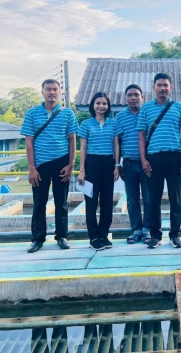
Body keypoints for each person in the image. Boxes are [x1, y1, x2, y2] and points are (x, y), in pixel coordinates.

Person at [21, 79, 78, 254]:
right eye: (48, 89)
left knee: (62, 202)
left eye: (55, 89)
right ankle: (37, 239)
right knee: (39, 202)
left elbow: (72, 140)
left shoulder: (67, 113)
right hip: (40, 165)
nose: (51, 92)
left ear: (60, 92)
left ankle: (62, 236)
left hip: (62, 162)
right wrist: (32, 168)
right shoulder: (32, 114)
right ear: (42, 92)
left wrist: (70, 165)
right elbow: (29, 142)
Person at [138, 73, 181, 249]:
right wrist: (143, 159)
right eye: (159, 85)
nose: (162, 88)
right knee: (153, 199)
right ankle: (155, 235)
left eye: (165, 85)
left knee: (176, 198)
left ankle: (175, 235)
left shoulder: (179, 107)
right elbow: (141, 135)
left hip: (175, 157)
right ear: (154, 88)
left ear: (170, 88)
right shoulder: (146, 109)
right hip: (153, 158)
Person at [77, 92, 118, 251]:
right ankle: (93, 237)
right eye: (98, 103)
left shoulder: (113, 123)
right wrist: (82, 170)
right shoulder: (86, 124)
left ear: (108, 106)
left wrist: (117, 166)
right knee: (91, 201)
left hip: (108, 163)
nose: (101, 106)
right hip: (91, 163)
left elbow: (116, 145)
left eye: (104, 103)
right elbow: (83, 148)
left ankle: (103, 235)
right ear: (93, 106)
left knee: (107, 201)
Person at [114, 84, 152, 245]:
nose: (133, 98)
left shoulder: (148, 113)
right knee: (132, 199)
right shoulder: (119, 117)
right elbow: (117, 143)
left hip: (148, 164)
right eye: (130, 95)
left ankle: (148, 229)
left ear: (142, 97)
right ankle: (136, 230)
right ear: (126, 98)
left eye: (136, 95)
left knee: (149, 198)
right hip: (128, 164)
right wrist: (117, 165)